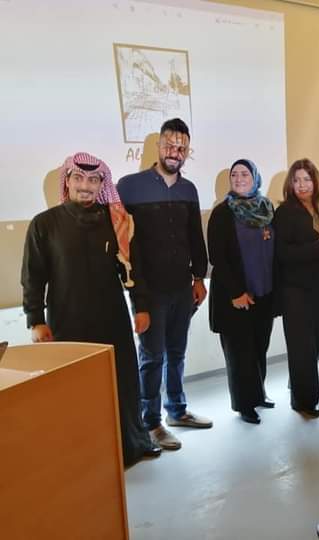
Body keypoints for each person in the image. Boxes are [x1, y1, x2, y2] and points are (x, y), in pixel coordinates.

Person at [22, 152, 160, 466]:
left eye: (93, 180)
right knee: (76, 389)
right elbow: (33, 276)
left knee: (122, 381)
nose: (85, 186)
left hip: (112, 319)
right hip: (67, 321)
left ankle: (133, 444)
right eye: (79, 178)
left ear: (102, 184)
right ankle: (84, 455)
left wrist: (141, 307)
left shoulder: (116, 221)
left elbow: (133, 268)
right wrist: (35, 320)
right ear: (67, 181)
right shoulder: (45, 224)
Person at [117, 118, 211, 451]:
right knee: (152, 356)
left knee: (177, 352)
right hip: (148, 290)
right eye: (170, 145)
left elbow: (195, 237)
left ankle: (177, 410)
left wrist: (199, 277)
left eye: (182, 147)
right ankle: (151, 422)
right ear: (158, 146)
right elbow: (124, 244)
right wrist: (137, 298)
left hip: (182, 288)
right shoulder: (129, 187)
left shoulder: (189, 190)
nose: (175, 152)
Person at [208, 159, 275, 424]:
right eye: (234, 175)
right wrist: (236, 292)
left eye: (244, 174)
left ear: (255, 178)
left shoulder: (266, 208)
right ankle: (244, 405)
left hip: (263, 294)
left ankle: (258, 395)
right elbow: (218, 258)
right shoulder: (222, 213)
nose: (239, 179)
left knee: (259, 348)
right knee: (239, 353)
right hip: (234, 297)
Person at [273, 158, 319, 418]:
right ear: (290, 184)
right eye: (296, 180)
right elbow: (283, 254)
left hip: (318, 288)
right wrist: (317, 247)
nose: (302, 185)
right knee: (301, 347)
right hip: (295, 290)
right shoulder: (285, 212)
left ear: (315, 182)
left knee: (313, 344)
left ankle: (302, 391)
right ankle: (305, 400)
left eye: (307, 179)